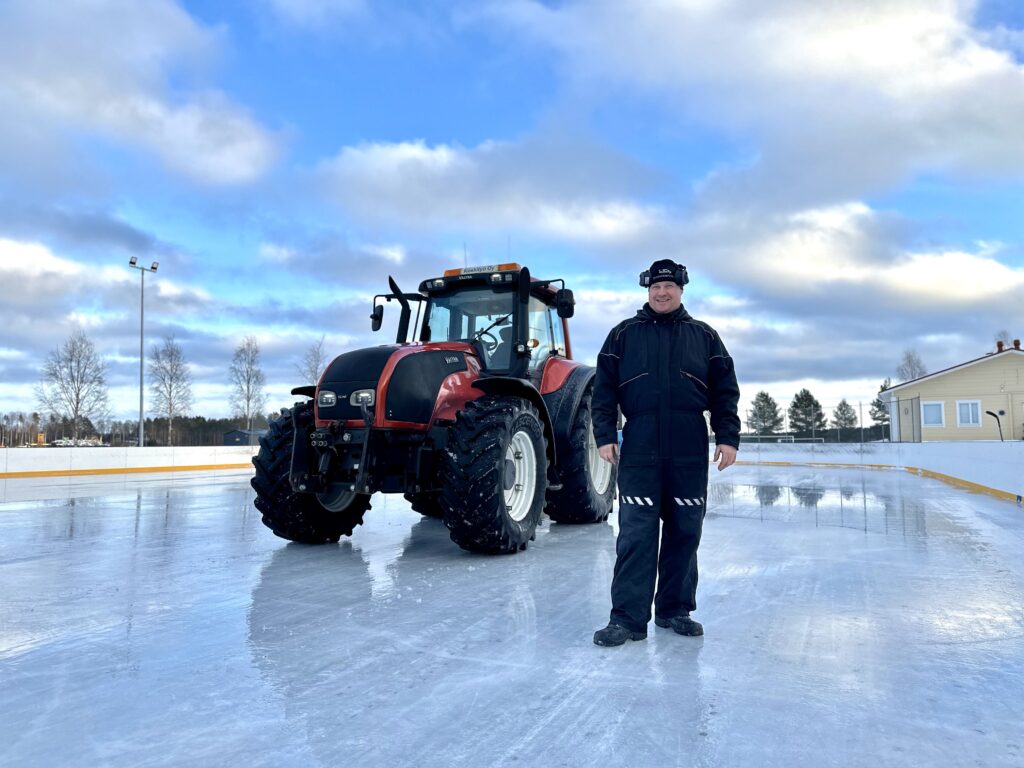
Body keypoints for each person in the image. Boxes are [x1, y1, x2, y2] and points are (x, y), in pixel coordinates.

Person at [591, 259, 740, 647]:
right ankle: (626, 619)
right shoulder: (623, 334)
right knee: (637, 533)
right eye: (655, 287)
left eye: (669, 286)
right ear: (647, 290)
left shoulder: (704, 336)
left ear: (681, 289)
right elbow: (604, 391)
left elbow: (726, 391)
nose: (661, 292)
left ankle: (675, 610)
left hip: (689, 444)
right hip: (639, 443)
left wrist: (728, 437)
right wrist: (604, 434)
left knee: (685, 531)